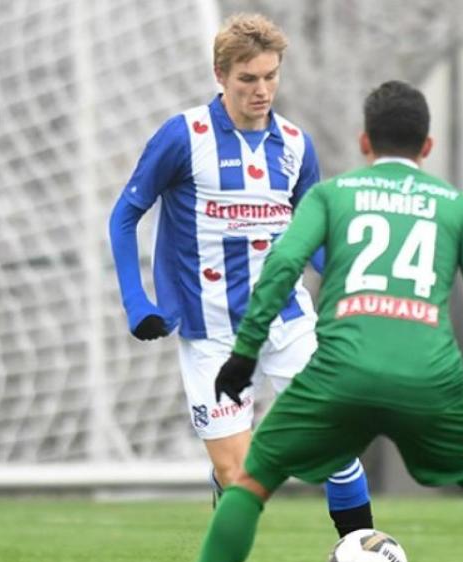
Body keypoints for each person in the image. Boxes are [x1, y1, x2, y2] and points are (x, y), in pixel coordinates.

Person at [195, 80, 463, 562]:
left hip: (339, 374)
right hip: (429, 377)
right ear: (427, 147)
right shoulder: (459, 208)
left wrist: (245, 351)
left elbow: (283, 264)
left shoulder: (330, 196)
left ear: (365, 142)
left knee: (251, 481)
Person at [107, 13, 372, 534]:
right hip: (212, 331)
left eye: (271, 76)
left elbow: (312, 238)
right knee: (242, 477)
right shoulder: (184, 136)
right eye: (248, 78)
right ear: (220, 75)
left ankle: (362, 553)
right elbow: (124, 215)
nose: (262, 90)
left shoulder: (296, 144)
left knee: (337, 446)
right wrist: (136, 301)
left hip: (286, 321)